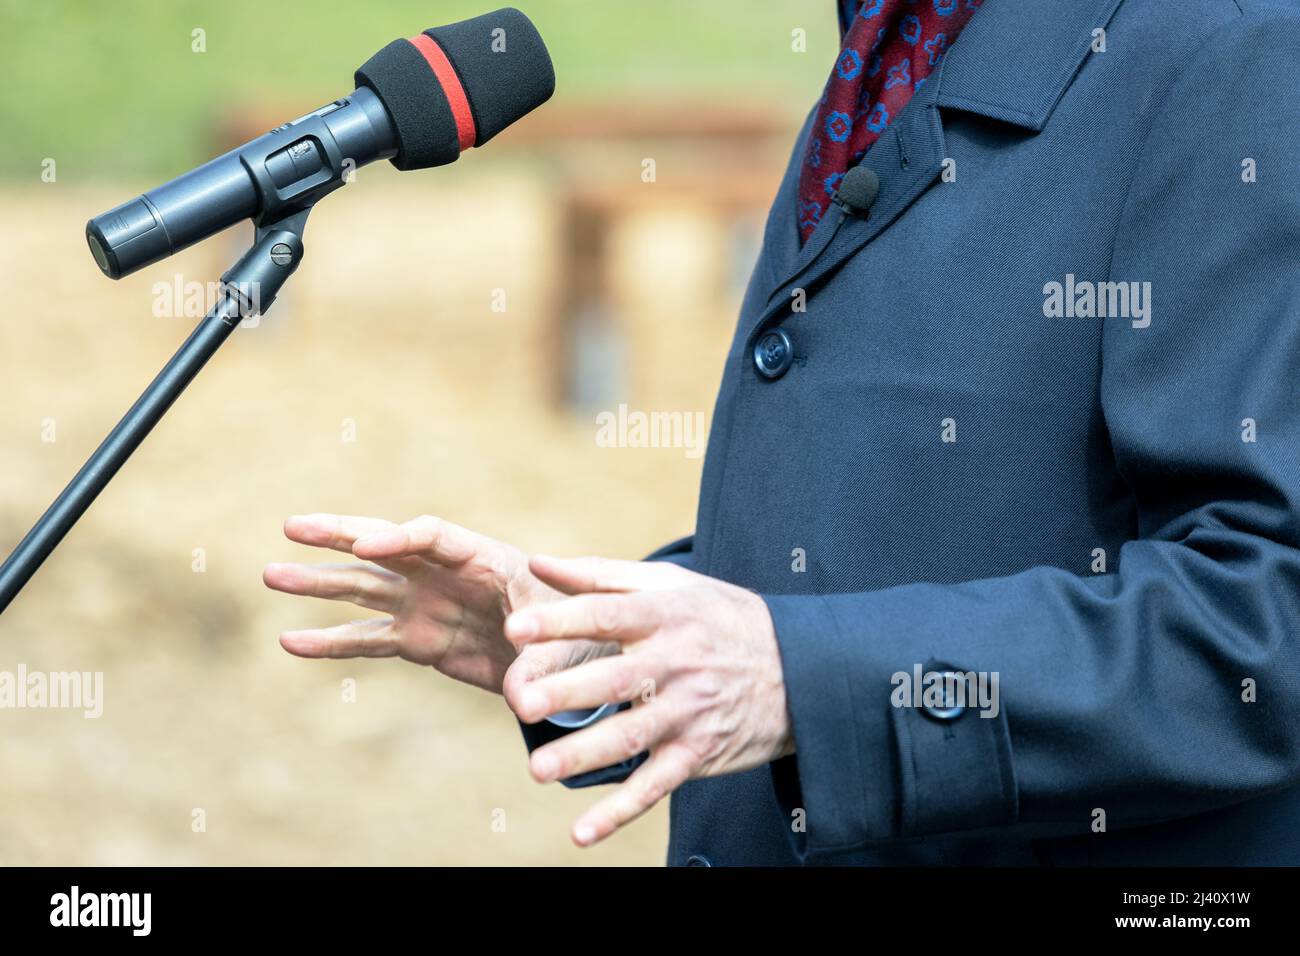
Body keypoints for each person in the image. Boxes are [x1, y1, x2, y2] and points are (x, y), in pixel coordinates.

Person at [263, 0, 1300, 866]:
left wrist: (802, 678)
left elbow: (1264, 622)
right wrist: (598, 637)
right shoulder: (889, 45)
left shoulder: (1238, 48)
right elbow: (919, 521)